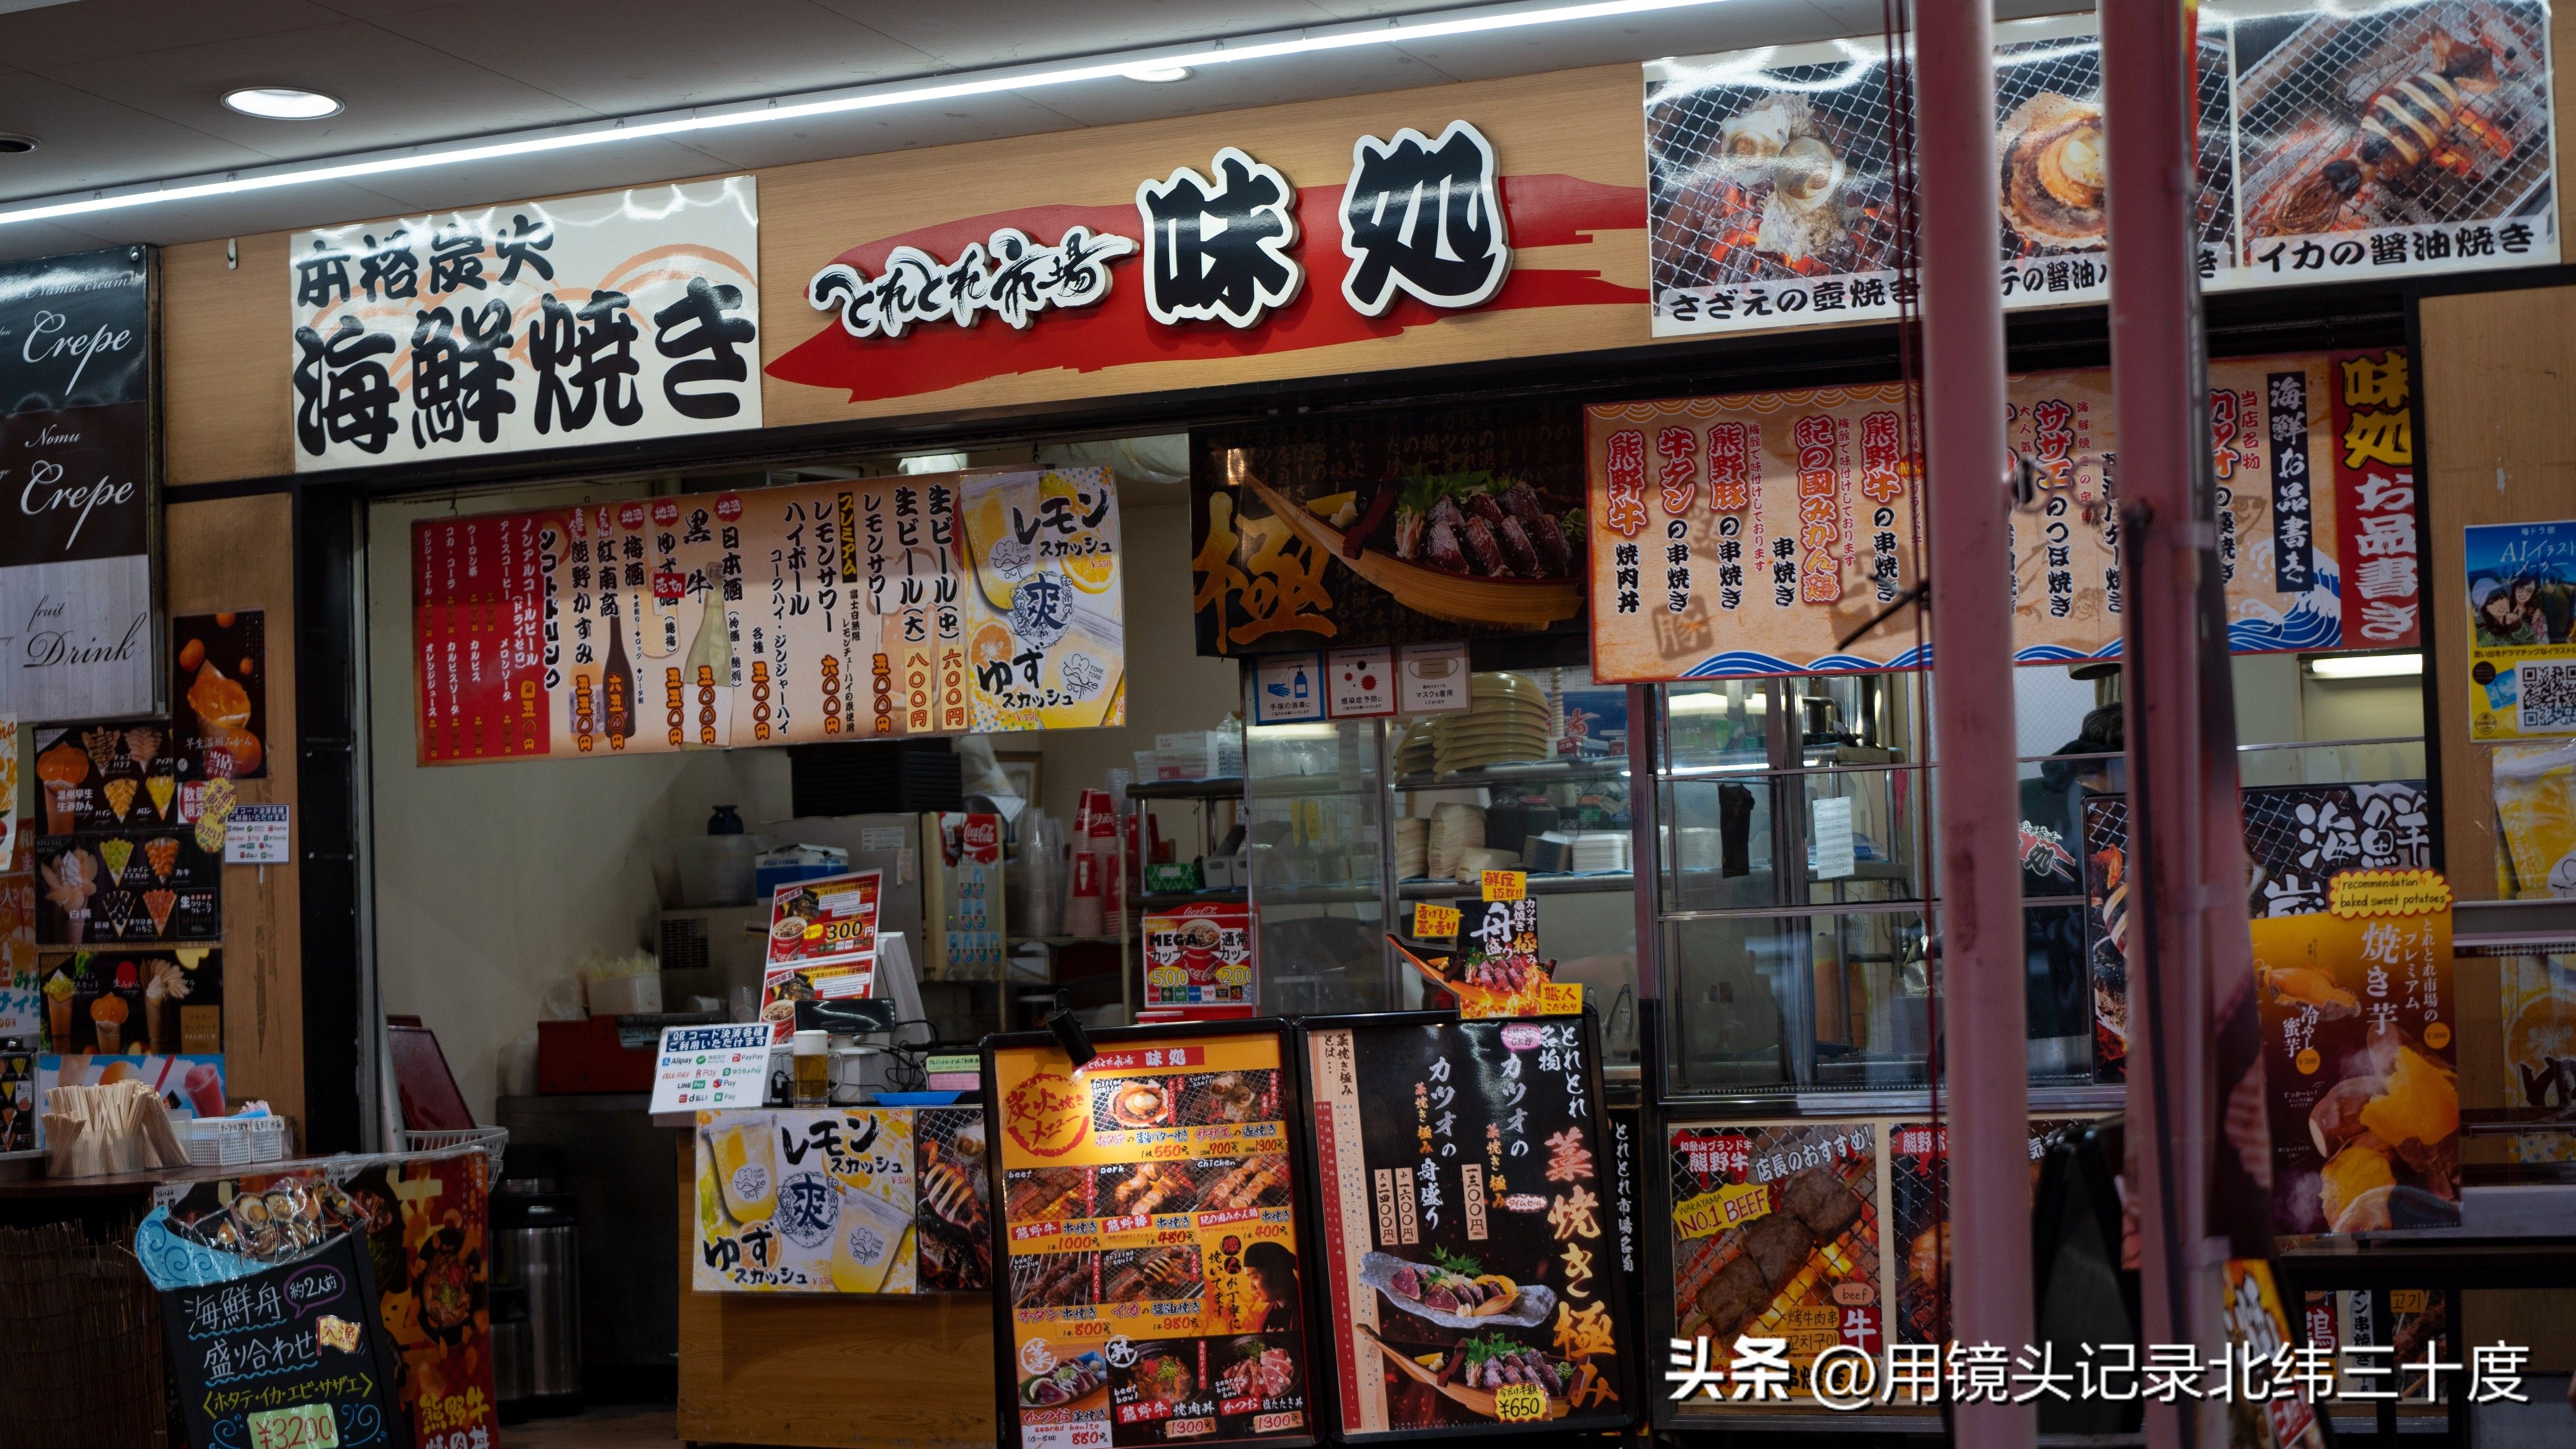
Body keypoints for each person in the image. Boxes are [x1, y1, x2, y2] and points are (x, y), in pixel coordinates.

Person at [1243, 1240, 1301, 1334]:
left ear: (1278, 1273)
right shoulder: (1268, 1314)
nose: (1251, 1287)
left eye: (1254, 1277)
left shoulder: (1306, 1310)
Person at [2474, 576, 2543, 647]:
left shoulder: (2519, 622)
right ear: (2485, 609)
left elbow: (2532, 642)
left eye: (2502, 597)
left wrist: (2517, 628)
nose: (2500, 604)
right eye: (2492, 602)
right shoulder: (2484, 635)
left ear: (2507, 599)